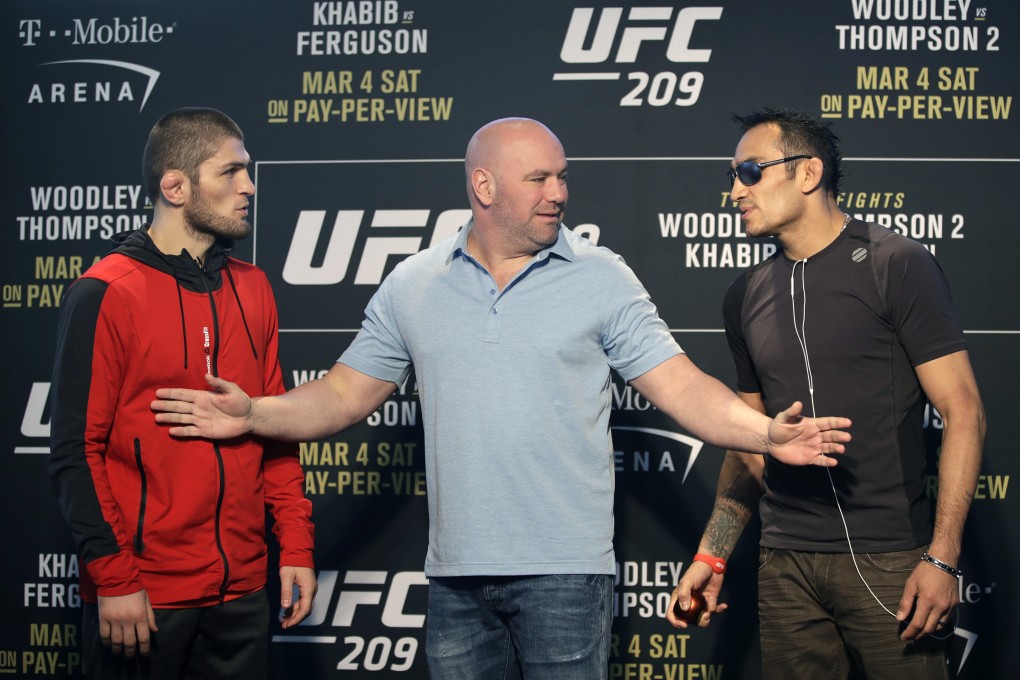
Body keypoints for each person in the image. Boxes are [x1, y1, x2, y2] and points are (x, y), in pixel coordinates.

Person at [151, 117, 850, 680]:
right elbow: (341, 396)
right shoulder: (414, 283)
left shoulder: (600, 277)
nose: (559, 193)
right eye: (540, 178)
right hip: (456, 581)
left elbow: (684, 386)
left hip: (566, 579)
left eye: (562, 177)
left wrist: (765, 435)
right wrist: (253, 414)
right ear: (483, 186)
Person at [664, 109, 986, 679]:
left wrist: (942, 558)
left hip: (891, 562)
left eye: (751, 171)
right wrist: (712, 555)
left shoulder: (897, 264)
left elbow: (964, 412)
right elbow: (748, 439)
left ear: (808, 173)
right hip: (785, 565)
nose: (734, 189)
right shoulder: (744, 296)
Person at [48, 107, 317, 679]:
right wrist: (114, 577)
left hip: (242, 590)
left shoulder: (254, 287)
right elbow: (76, 452)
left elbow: (274, 422)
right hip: (144, 596)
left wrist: (294, 542)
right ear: (175, 185)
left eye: (249, 172)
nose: (249, 186)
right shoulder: (107, 291)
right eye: (231, 172)